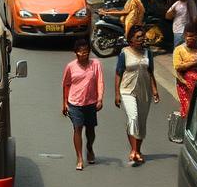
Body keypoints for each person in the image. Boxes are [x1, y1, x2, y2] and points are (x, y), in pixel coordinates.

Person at [114, 25, 160, 166]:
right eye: (138, 37)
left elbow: (150, 71)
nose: (141, 39)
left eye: (142, 36)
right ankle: (133, 151)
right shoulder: (125, 53)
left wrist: (154, 90)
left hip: (144, 91)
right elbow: (118, 73)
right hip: (127, 90)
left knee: (141, 122)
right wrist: (117, 94)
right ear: (131, 40)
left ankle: (138, 150)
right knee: (133, 117)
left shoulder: (148, 53)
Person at [61, 38, 104, 171]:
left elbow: (100, 82)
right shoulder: (70, 66)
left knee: (90, 130)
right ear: (76, 53)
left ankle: (89, 148)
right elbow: (66, 84)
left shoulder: (95, 64)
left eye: (86, 51)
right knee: (77, 128)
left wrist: (100, 99)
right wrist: (64, 103)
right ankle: (79, 157)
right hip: (75, 102)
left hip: (91, 102)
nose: (83, 54)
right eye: (80, 52)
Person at [173, 29, 197, 118]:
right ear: (184, 37)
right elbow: (178, 67)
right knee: (188, 109)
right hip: (186, 84)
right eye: (189, 36)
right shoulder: (179, 50)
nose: (191, 38)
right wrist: (196, 62)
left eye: (194, 36)